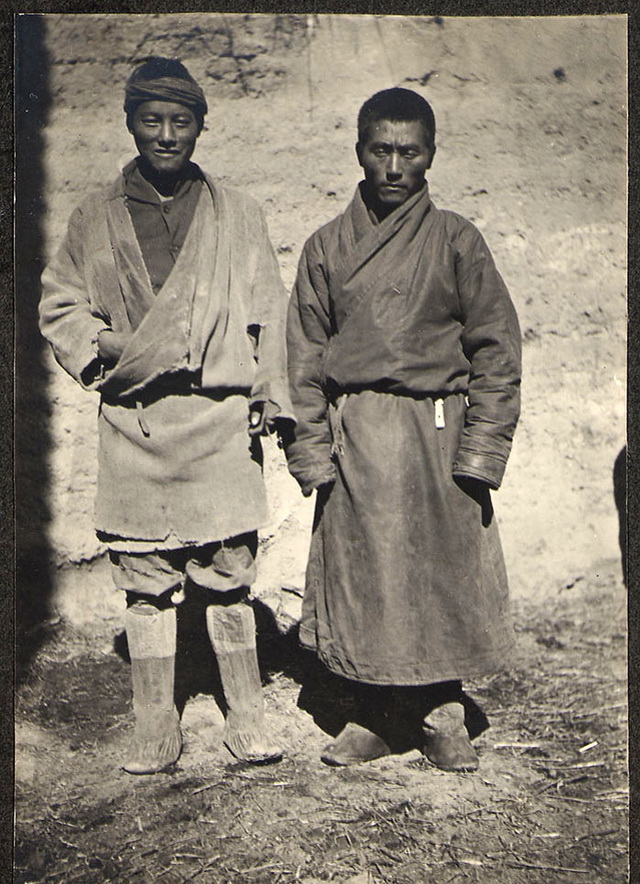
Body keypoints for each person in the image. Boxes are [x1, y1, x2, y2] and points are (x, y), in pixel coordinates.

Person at [39, 57, 294, 774]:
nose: (166, 135)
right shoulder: (96, 215)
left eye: (181, 121)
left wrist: (266, 394)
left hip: (216, 422)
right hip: (137, 422)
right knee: (145, 580)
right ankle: (155, 721)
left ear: (200, 127)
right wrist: (111, 347)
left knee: (228, 574)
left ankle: (245, 713)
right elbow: (59, 303)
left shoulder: (236, 212)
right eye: (152, 120)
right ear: (131, 123)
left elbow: (269, 311)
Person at [285, 87, 521, 771]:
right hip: (358, 431)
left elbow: (497, 348)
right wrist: (313, 450)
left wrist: (481, 447)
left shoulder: (455, 240)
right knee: (365, 576)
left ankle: (442, 706)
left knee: (437, 573)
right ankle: (373, 712)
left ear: (431, 155)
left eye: (408, 151)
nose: (393, 165)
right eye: (380, 149)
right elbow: (302, 355)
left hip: (436, 430)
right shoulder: (327, 247)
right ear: (359, 151)